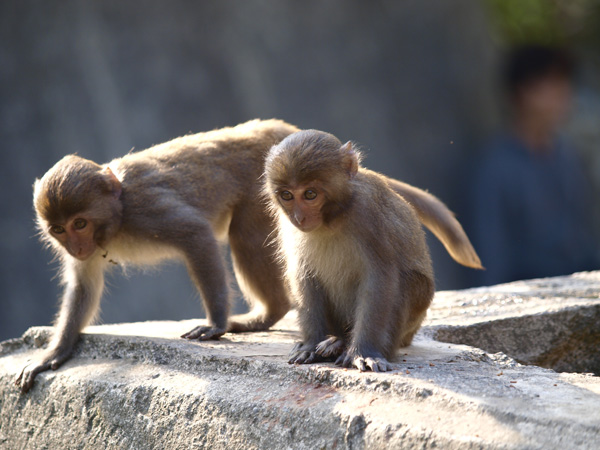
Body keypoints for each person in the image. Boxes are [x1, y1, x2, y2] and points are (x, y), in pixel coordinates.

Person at [471, 45, 598, 285]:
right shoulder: (495, 168)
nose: (564, 95)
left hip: (579, 278)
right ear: (524, 92)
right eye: (553, 86)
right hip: (529, 288)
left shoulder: (567, 156)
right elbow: (490, 256)